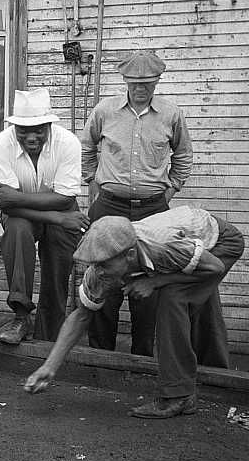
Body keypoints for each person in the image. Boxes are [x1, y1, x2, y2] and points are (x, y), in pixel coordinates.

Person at [25, 206, 243, 418]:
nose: (98, 271)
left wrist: (156, 281)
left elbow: (214, 268)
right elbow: (81, 316)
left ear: (129, 255)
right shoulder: (99, 269)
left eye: (104, 264)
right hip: (189, 241)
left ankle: (179, 395)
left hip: (221, 242)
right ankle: (208, 373)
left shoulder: (162, 245)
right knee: (189, 294)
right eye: (95, 264)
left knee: (172, 298)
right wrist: (49, 367)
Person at [81, 50, 193, 356]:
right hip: (109, 207)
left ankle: (142, 359)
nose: (140, 88)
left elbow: (183, 157)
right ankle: (100, 357)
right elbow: (86, 147)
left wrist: (168, 193)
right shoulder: (105, 110)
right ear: (125, 81)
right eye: (134, 82)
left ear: (157, 81)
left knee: (148, 285)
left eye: (147, 82)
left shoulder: (171, 113)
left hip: (152, 211)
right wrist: (95, 181)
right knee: (103, 278)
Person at [0, 88, 89, 344]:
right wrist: (58, 218)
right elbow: (6, 207)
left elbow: (65, 198)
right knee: (18, 231)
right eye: (23, 130)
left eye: (39, 129)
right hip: (29, 215)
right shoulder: (0, 145)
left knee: (57, 269)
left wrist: (17, 197)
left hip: (58, 207)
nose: (31, 136)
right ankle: (21, 317)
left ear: (48, 125)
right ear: (14, 127)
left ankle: (49, 335)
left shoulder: (68, 143)